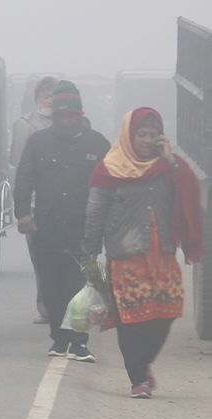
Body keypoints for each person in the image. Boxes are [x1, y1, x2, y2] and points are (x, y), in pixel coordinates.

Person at [83, 107, 203, 398]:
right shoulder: (108, 168)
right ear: (128, 135)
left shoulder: (169, 167)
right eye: (142, 134)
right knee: (131, 320)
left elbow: (189, 193)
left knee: (166, 314)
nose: (147, 140)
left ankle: (143, 362)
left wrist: (172, 161)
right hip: (125, 256)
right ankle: (137, 378)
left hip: (162, 253)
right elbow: (95, 213)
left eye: (154, 135)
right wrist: (89, 254)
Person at [14, 80, 110, 362]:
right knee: (52, 286)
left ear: (80, 116)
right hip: (47, 227)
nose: (66, 120)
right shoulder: (37, 143)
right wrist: (23, 214)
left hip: (84, 228)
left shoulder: (98, 143)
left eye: (71, 115)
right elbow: (23, 180)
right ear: (53, 116)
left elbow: (112, 184)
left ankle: (80, 342)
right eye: (61, 115)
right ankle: (59, 339)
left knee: (80, 285)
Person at [10, 76, 59, 325]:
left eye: (54, 94)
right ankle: (47, 305)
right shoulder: (25, 125)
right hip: (36, 202)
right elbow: (20, 168)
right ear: (37, 99)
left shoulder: (76, 123)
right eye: (45, 95)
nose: (50, 100)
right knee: (41, 255)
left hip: (68, 201)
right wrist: (22, 209)